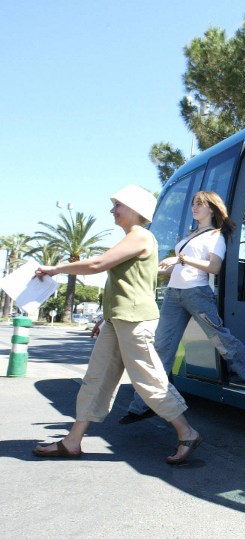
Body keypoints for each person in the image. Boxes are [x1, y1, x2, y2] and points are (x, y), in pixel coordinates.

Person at [32, 184, 202, 465]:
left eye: (117, 205)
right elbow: (126, 284)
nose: (112, 210)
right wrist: (105, 316)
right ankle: (72, 442)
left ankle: (187, 432)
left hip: (134, 321)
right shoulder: (132, 238)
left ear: (134, 210)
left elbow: (98, 264)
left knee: (149, 381)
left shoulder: (141, 236)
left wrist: (55, 268)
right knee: (96, 379)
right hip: (118, 318)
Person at [119, 191, 245, 424]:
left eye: (200, 204)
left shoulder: (216, 236)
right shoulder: (191, 235)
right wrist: (157, 268)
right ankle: (143, 404)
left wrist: (181, 260)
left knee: (219, 338)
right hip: (174, 294)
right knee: (161, 348)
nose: (194, 207)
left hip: (197, 293)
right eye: (193, 204)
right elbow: (177, 267)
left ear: (212, 209)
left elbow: (214, 267)